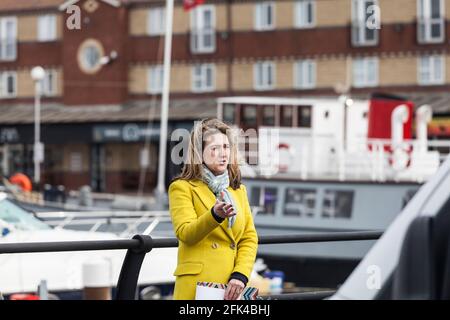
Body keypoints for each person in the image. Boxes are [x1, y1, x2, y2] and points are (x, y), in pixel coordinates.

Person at [168, 118, 258, 300]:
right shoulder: (182, 187)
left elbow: (249, 237)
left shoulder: (238, 190)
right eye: (215, 149)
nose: (223, 154)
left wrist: (240, 275)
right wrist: (214, 216)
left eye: (226, 147)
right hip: (197, 288)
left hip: (232, 287)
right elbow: (185, 233)